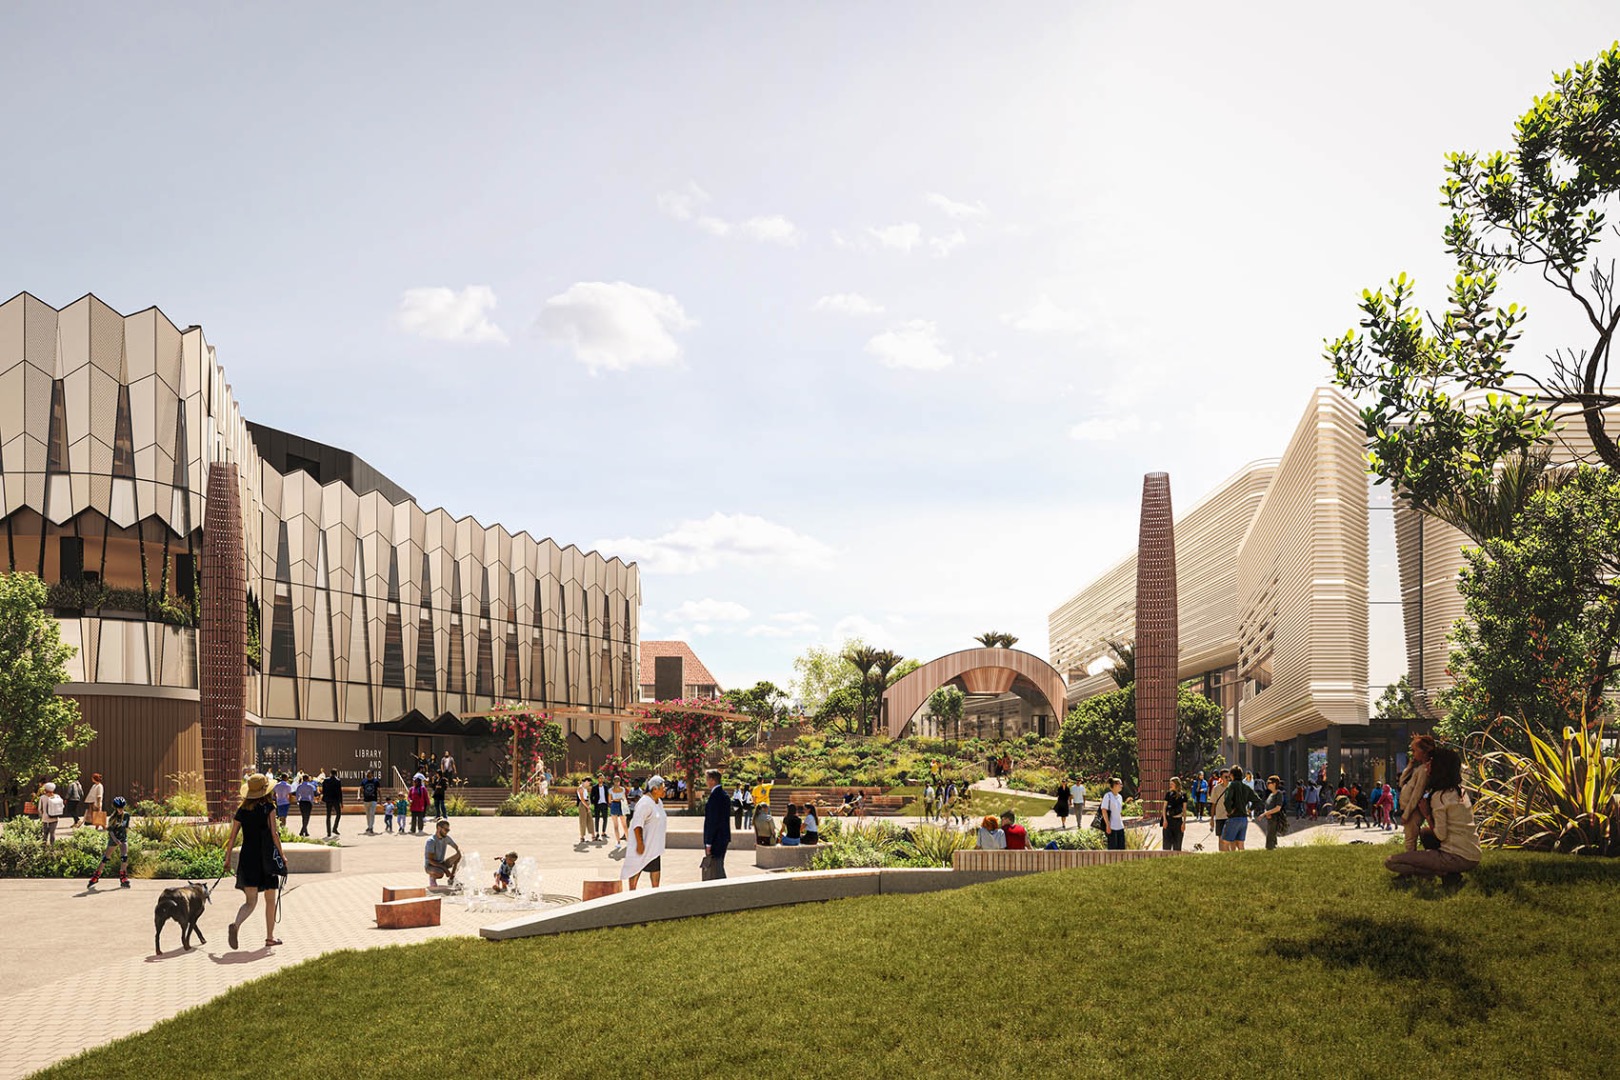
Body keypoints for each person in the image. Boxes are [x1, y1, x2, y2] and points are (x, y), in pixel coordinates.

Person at [1385, 745, 1481, 883]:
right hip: (1473, 854)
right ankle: (1450, 874)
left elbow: (1441, 835)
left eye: (1431, 762)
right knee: (1425, 833)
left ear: (1439, 767)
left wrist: (1426, 814)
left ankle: (1439, 872)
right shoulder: (1460, 791)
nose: (1427, 765)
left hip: (1455, 857)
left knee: (1391, 862)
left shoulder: (1440, 796)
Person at [221, 773, 287, 950]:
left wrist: (227, 859)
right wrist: (282, 855)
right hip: (266, 859)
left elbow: (232, 836)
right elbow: (274, 834)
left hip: (248, 857)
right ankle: (270, 938)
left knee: (250, 902)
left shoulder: (242, 810)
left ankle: (236, 925)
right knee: (270, 899)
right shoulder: (269, 808)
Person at [622, 775, 669, 890]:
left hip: (654, 847)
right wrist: (640, 844)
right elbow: (637, 825)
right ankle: (631, 895)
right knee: (636, 868)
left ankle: (655, 893)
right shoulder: (645, 803)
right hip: (643, 846)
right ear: (654, 789)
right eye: (663, 787)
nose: (665, 789)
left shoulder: (658, 802)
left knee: (655, 870)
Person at [87, 795, 132, 887]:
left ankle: (123, 876)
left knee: (124, 857)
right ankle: (96, 876)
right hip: (113, 839)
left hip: (123, 838)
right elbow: (110, 830)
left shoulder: (127, 815)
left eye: (122, 808)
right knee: (105, 858)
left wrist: (124, 837)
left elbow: (126, 827)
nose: (120, 810)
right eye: (119, 808)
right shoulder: (113, 817)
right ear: (116, 808)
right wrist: (115, 839)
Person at [1399, 735, 1434, 852]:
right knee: (1409, 838)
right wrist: (1409, 766)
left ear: (1424, 752)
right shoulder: (1419, 768)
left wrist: (1407, 814)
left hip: (1413, 810)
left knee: (1410, 839)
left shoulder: (1424, 770)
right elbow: (1401, 783)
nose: (1412, 753)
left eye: (1414, 750)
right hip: (1408, 808)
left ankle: (1412, 864)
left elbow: (1417, 793)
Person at [1221, 767, 1263, 850]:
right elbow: (1257, 800)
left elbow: (1227, 800)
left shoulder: (1231, 785)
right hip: (1244, 819)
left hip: (1234, 817)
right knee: (1240, 844)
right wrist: (1250, 809)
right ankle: (1243, 861)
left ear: (1232, 775)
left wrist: (1229, 811)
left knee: (1225, 842)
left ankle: (1228, 862)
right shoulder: (1246, 787)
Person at [703, 768, 731, 879]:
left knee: (717, 867)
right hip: (723, 837)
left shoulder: (715, 797)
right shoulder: (724, 795)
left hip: (716, 839)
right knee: (718, 865)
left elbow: (712, 822)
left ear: (713, 780)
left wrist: (708, 843)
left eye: (707, 779)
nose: (706, 782)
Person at [424, 818, 462, 886]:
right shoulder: (431, 841)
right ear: (439, 828)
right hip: (430, 866)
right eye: (446, 829)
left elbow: (457, 847)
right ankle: (432, 877)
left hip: (441, 863)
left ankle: (451, 879)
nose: (447, 832)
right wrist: (445, 869)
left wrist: (460, 852)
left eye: (448, 830)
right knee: (440, 873)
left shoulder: (446, 838)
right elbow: (430, 860)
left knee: (459, 855)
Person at [1261, 775, 1287, 850]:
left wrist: (1267, 813)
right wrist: (1266, 812)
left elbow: (1278, 807)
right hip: (1269, 818)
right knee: (1270, 834)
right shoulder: (1271, 794)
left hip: (1274, 818)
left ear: (1274, 784)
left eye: (1269, 783)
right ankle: (1272, 848)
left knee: (1271, 835)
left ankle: (1270, 849)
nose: (1267, 784)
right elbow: (1266, 805)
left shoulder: (1279, 794)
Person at [1161, 777, 1187, 851]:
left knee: (1177, 845)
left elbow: (1184, 810)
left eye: (1172, 784)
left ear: (1176, 784)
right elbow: (1164, 808)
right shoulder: (1168, 794)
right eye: (1170, 784)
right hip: (1169, 820)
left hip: (1178, 821)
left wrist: (1184, 823)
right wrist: (1165, 820)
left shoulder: (1183, 795)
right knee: (1166, 846)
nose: (1170, 785)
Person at [1100, 777, 1126, 850]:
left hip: (1120, 827)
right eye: (1120, 784)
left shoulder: (1120, 797)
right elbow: (1104, 810)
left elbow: (1119, 812)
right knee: (1113, 850)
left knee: (1121, 849)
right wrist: (1108, 825)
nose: (1122, 786)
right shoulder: (1108, 796)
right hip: (1112, 827)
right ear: (1114, 785)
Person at [37, 782, 63, 848]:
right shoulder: (57, 796)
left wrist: (41, 815)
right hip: (54, 818)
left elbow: (39, 808)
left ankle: (44, 847)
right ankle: (52, 847)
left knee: (45, 834)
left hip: (45, 818)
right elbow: (62, 806)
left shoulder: (42, 797)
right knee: (52, 833)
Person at [1209, 771, 1230, 850]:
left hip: (1230, 817)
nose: (1228, 779)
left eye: (1229, 777)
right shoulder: (1216, 788)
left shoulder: (1232, 787)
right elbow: (1213, 804)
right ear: (1221, 777)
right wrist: (1211, 819)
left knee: (1228, 840)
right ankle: (1221, 855)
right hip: (1219, 817)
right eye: (1226, 777)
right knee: (1220, 839)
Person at [294, 772, 317, 836]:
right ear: (307, 779)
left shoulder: (299, 786)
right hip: (308, 802)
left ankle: (305, 831)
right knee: (307, 817)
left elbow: (297, 795)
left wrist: (298, 801)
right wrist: (312, 802)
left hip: (302, 802)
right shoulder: (310, 786)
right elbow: (312, 795)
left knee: (304, 817)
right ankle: (303, 831)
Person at [360, 770, 382, 834]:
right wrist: (359, 796)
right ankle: (369, 826)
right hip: (366, 800)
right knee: (367, 814)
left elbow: (379, 791)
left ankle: (371, 827)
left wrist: (380, 799)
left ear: (372, 774)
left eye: (369, 773)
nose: (367, 774)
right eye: (367, 773)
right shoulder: (364, 781)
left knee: (372, 814)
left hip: (373, 800)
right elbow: (360, 789)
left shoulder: (376, 781)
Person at [608, 776, 629, 844]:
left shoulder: (610, 790)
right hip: (621, 805)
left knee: (616, 825)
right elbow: (624, 798)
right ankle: (628, 841)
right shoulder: (622, 789)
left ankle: (618, 842)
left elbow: (609, 801)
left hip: (614, 805)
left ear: (613, 781)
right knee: (624, 825)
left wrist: (615, 799)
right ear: (619, 782)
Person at [591, 775, 611, 842]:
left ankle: (603, 832)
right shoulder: (594, 787)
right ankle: (597, 832)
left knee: (605, 818)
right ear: (598, 779)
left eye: (602, 778)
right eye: (600, 778)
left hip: (604, 804)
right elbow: (591, 796)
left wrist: (608, 803)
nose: (601, 779)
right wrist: (594, 803)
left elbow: (608, 795)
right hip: (597, 805)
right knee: (597, 819)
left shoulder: (606, 787)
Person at [576, 776, 592, 843]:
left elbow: (587, 797)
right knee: (582, 821)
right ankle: (582, 837)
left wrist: (589, 804)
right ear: (586, 781)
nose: (589, 784)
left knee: (589, 820)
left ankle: (591, 835)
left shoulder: (584, 788)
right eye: (589, 783)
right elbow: (582, 799)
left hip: (586, 803)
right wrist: (587, 807)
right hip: (583, 805)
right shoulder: (580, 788)